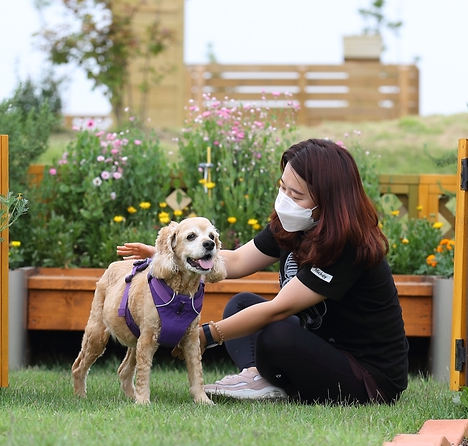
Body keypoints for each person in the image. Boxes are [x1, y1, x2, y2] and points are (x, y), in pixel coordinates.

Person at [117, 138, 408, 405]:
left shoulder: (348, 244)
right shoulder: (293, 224)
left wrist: (203, 335)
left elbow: (278, 310)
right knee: (240, 304)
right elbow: (238, 260)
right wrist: (173, 254)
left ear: (328, 201)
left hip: (368, 376)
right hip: (321, 343)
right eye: (283, 188)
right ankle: (265, 378)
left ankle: (269, 377)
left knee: (276, 333)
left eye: (296, 194)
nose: (285, 199)